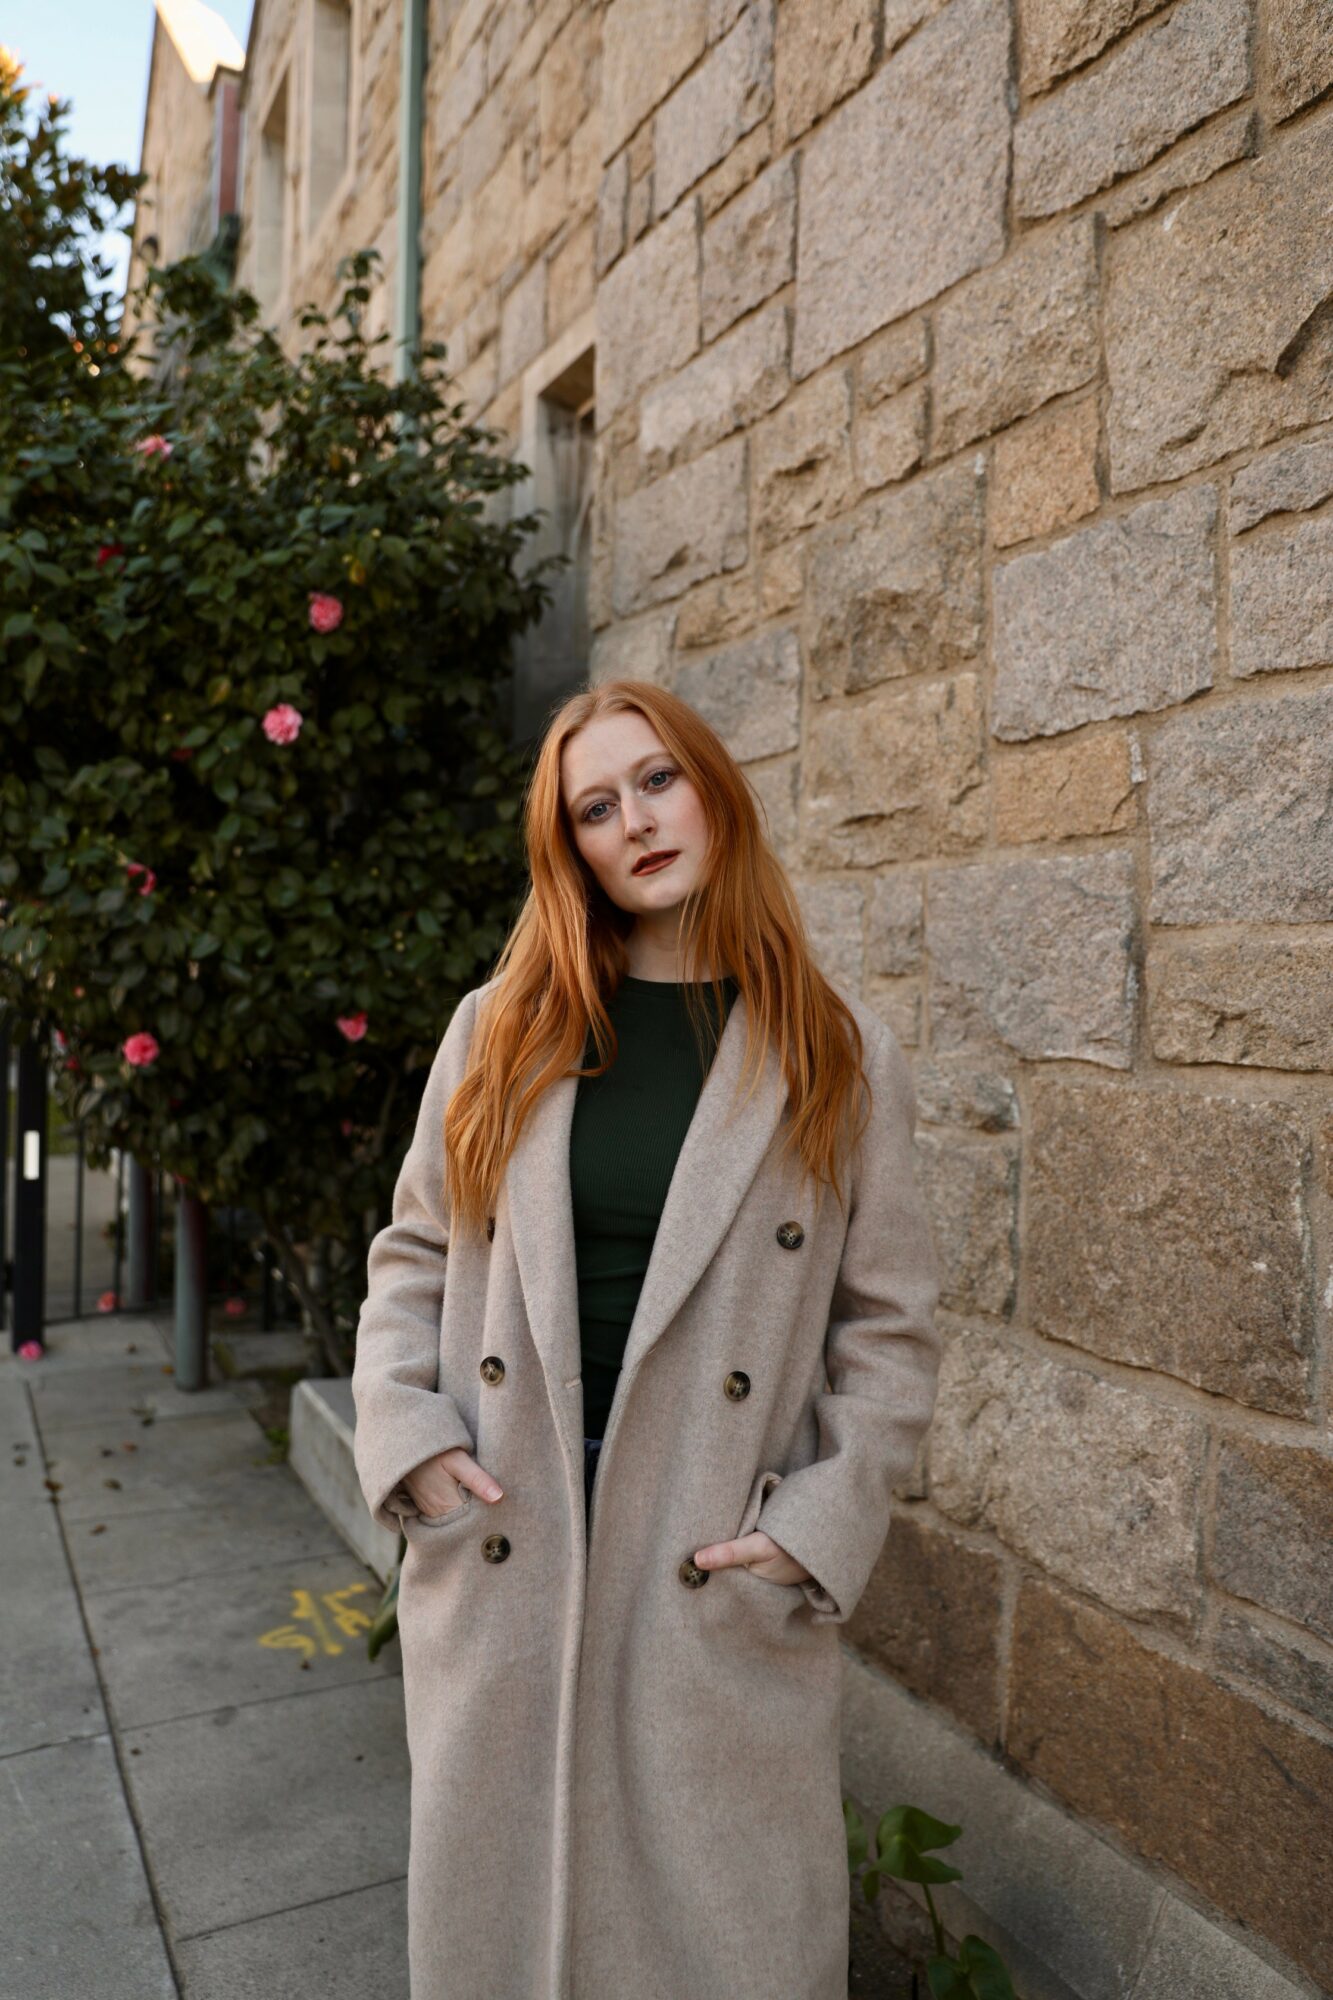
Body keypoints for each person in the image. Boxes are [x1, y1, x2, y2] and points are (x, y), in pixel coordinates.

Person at [351, 676, 942, 2000]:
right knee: (507, 1929)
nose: (635, 821)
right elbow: (411, 1254)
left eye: (656, 780)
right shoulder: (500, 1030)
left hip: (706, 1531)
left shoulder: (838, 1052)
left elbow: (891, 1327)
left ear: (713, 785)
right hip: (510, 1511)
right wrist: (408, 1440)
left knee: (729, 1933)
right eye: (595, 808)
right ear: (571, 851)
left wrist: (817, 1527)